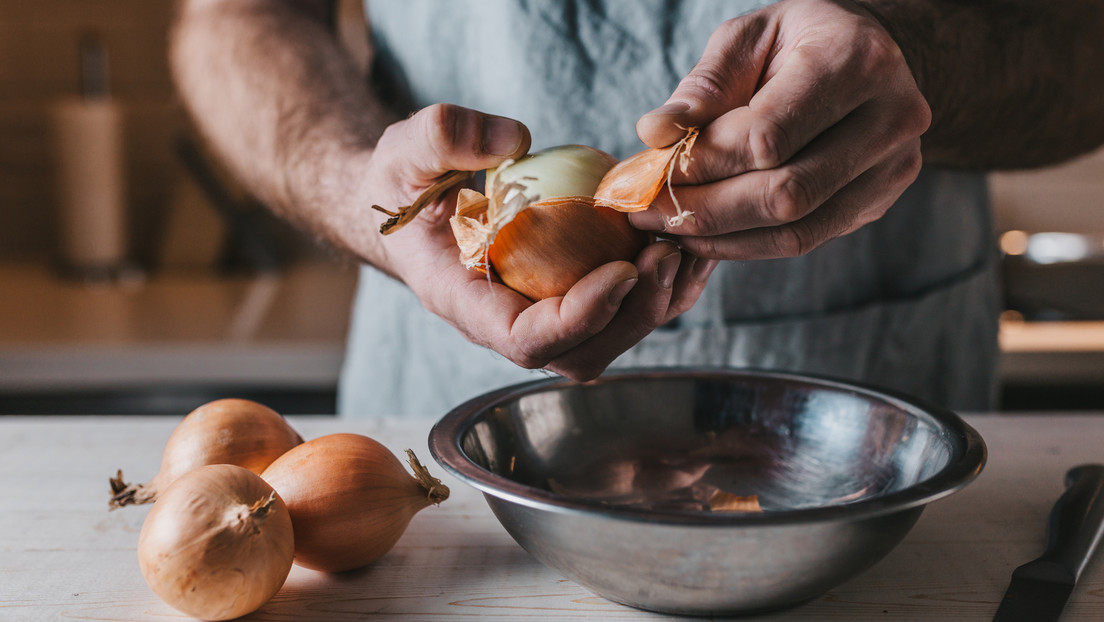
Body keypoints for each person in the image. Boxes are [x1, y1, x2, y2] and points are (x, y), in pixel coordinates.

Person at [170, 0, 1104, 416]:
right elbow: (233, 18)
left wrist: (917, 61)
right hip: (443, 415)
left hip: (880, 422)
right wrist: (352, 184)